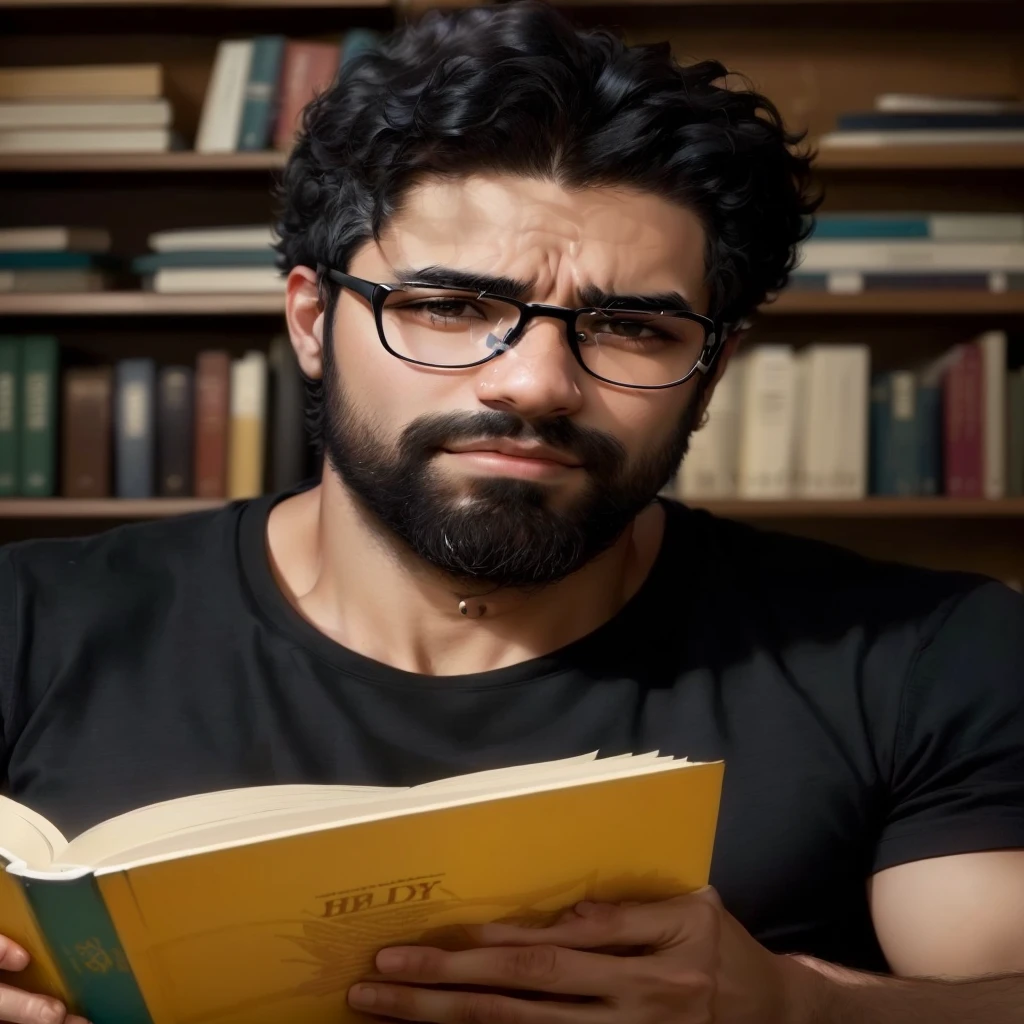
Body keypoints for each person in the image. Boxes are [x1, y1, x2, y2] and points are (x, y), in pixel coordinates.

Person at [2, 3, 1024, 1022]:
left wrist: (796, 1006)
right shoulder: (24, 626)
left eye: (629, 326)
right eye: (450, 308)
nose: (535, 384)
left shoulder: (923, 654)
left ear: (711, 373)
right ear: (313, 321)